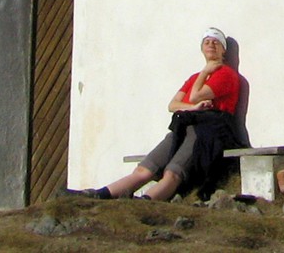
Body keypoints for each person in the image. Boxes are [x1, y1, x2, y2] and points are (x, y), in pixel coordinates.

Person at [80, 28, 243, 201]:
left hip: (207, 131)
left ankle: (145, 202)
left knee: (173, 172)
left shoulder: (226, 74)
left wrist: (204, 73)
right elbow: (173, 105)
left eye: (216, 42)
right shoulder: (194, 78)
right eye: (207, 42)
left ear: (223, 50)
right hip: (184, 126)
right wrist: (193, 107)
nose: (211, 45)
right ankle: (100, 194)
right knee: (144, 169)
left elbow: (195, 96)